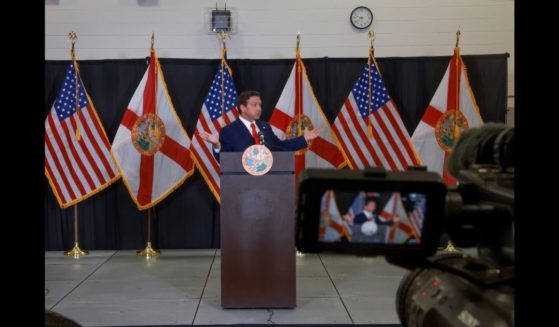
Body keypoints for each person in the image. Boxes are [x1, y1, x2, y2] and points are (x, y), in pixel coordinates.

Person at [200, 90, 321, 155]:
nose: (259, 108)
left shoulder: (265, 127)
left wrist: (304, 138)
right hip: (242, 185)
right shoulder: (229, 131)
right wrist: (217, 145)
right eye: (254, 105)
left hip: (269, 182)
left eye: (260, 105)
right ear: (242, 108)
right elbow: (223, 158)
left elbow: (280, 147)